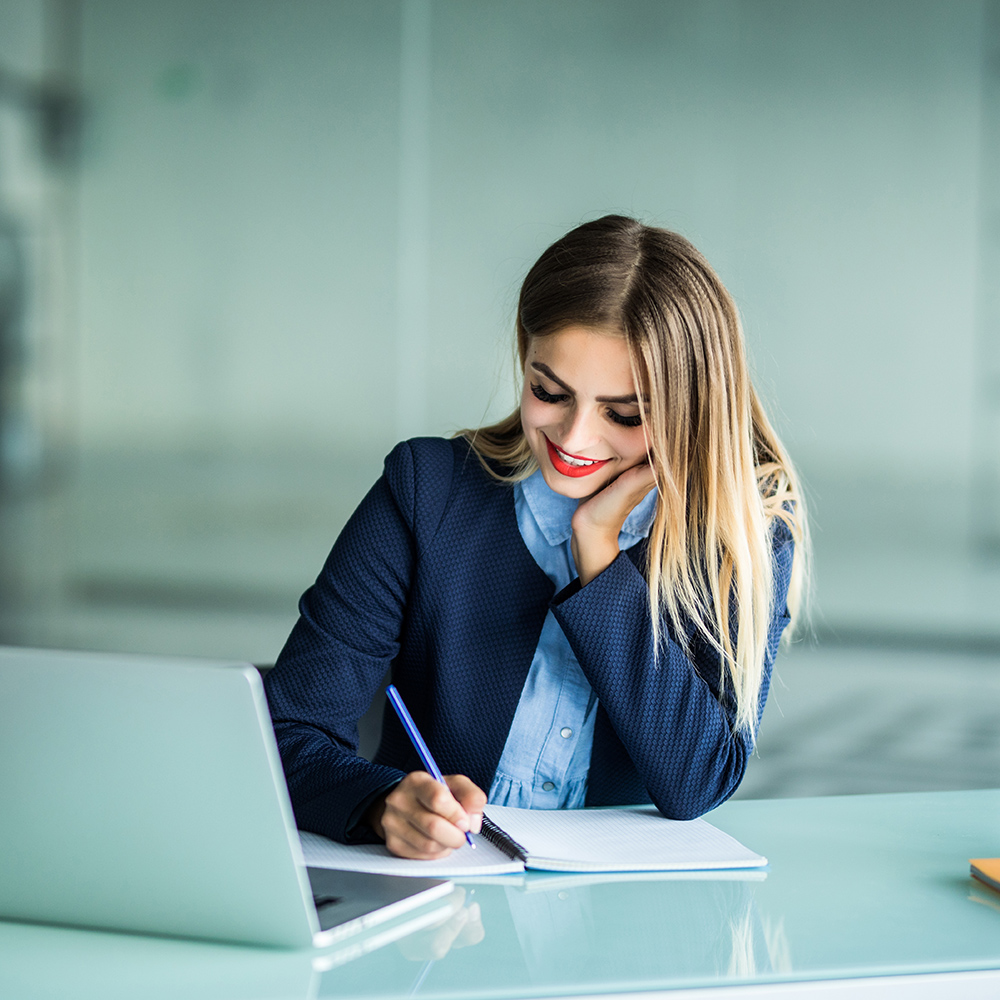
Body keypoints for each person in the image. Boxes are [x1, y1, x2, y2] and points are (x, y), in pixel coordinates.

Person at [264, 215, 807, 861]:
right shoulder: (428, 492)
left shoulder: (740, 536)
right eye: (548, 392)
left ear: (692, 406)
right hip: (440, 906)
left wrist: (600, 554)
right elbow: (288, 728)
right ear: (523, 355)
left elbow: (696, 781)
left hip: (629, 923)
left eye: (625, 413)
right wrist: (383, 802)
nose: (574, 439)